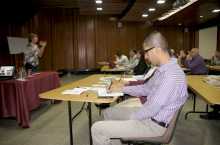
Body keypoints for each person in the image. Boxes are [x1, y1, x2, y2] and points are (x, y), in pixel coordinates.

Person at [91, 31, 188, 145]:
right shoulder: (163, 70)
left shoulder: (170, 76)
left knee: (97, 129)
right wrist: (121, 89)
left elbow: (151, 109)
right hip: (149, 115)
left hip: (153, 124)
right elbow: (146, 88)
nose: (145, 56)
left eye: (146, 52)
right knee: (109, 112)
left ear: (156, 49)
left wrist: (128, 122)